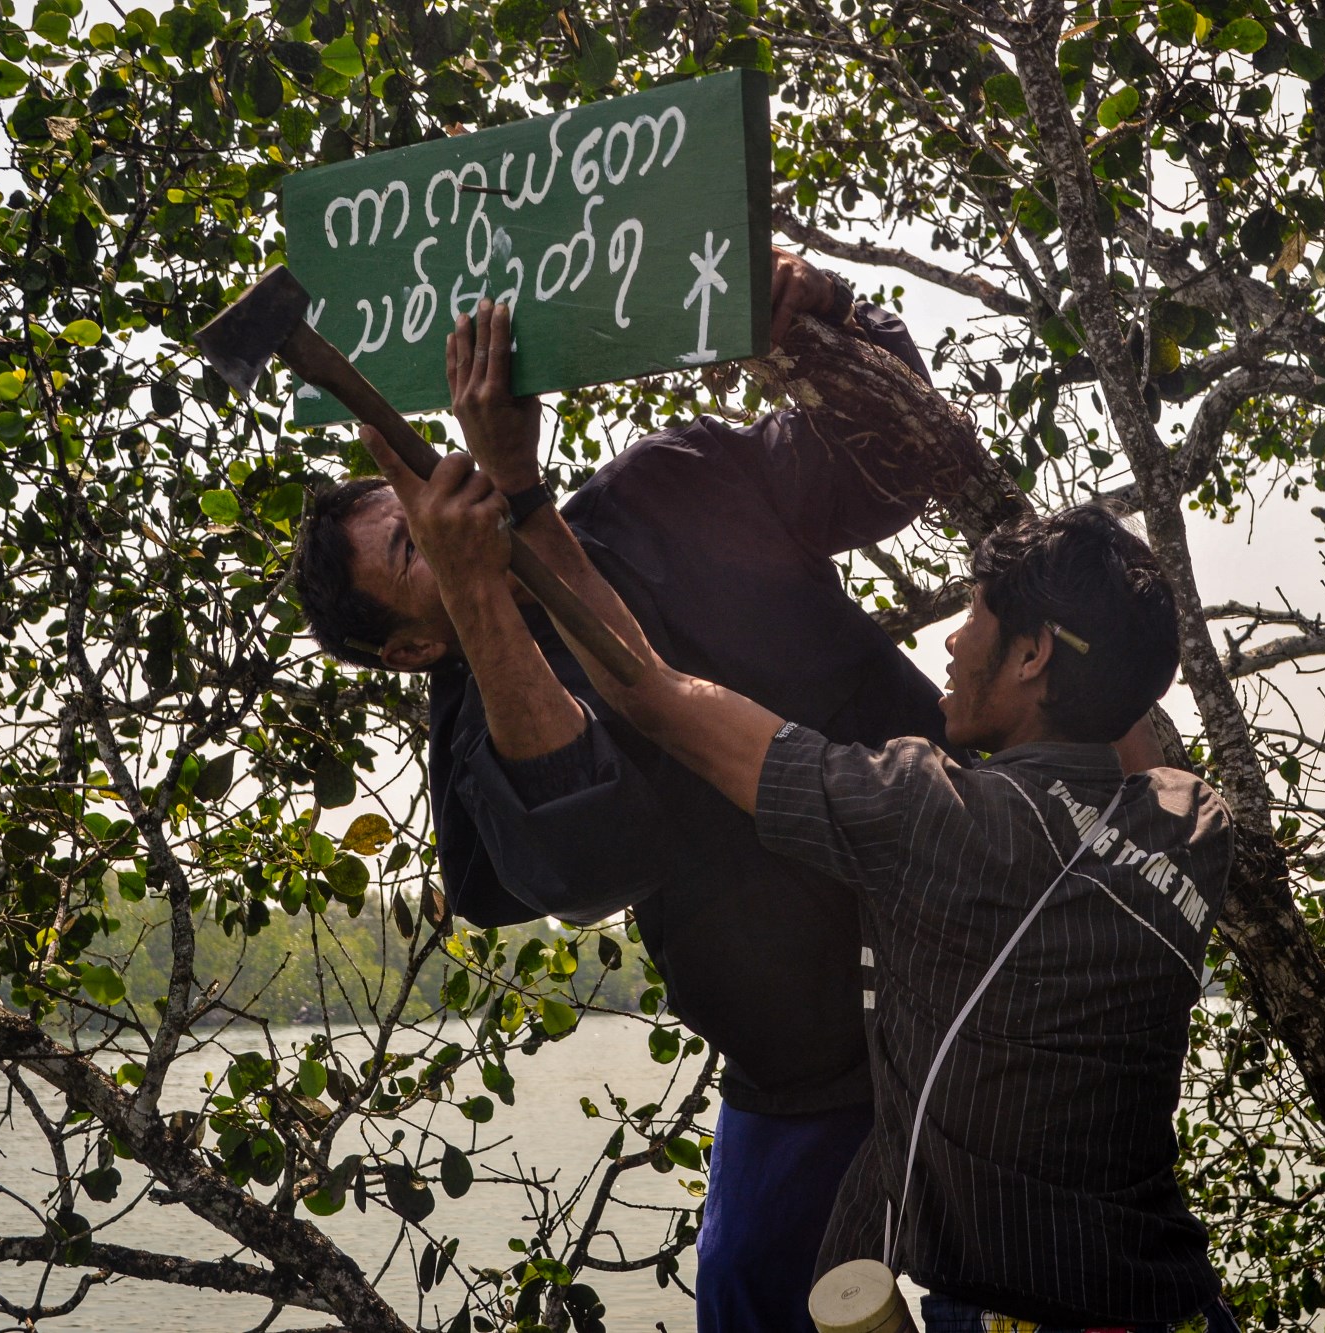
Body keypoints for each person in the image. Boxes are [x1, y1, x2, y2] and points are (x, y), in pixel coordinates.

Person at [358, 374, 1238, 1332]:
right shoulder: (1191, 821)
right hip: (1175, 1299)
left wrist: (515, 510)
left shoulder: (931, 817)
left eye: (977, 616)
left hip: (1019, 1297)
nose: (950, 639)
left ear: (1032, 658)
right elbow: (1127, 733)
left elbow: (651, 691)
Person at [293, 250, 1017, 1331]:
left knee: (1011, 1282)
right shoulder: (470, 712)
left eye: (424, 483)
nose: (446, 508)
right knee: (745, 1294)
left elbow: (890, 466)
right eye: (413, 543)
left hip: (973, 970)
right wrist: (482, 595)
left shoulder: (666, 481)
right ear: (406, 650)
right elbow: (586, 867)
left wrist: (828, 318)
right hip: (798, 1059)